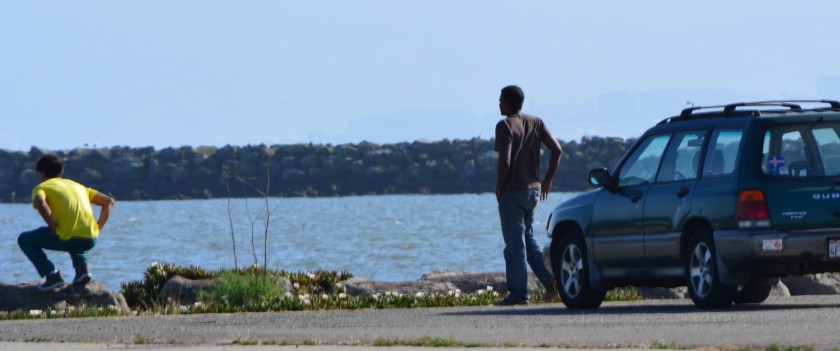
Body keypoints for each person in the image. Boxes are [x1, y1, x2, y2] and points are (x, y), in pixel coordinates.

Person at [493, 85, 562, 305]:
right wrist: (547, 180)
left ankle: (519, 293)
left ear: (509, 102)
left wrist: (499, 186)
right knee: (528, 238)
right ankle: (552, 281)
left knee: (515, 244)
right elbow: (557, 150)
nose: (498, 103)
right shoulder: (536, 122)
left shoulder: (504, 126)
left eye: (501, 100)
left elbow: (505, 161)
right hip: (533, 191)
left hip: (513, 192)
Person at [18, 154, 116, 291]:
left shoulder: (42, 187)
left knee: (24, 239)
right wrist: (98, 229)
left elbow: (41, 202)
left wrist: (52, 226)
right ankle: (82, 269)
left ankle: (52, 275)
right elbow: (109, 202)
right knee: (72, 226)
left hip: (68, 237)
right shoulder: (79, 186)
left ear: (42, 173)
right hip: (91, 239)